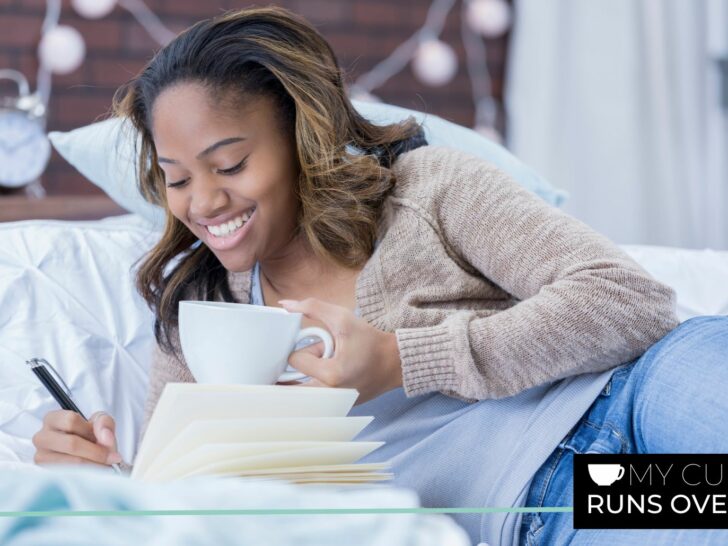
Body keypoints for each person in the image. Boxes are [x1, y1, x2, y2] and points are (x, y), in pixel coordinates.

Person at [31, 6, 728, 546]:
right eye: (177, 179)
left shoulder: (425, 189)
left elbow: (631, 300)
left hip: (640, 389)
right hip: (552, 498)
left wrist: (401, 359)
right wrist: (100, 485)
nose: (204, 203)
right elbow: (190, 506)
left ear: (302, 136)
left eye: (231, 165)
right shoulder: (202, 312)